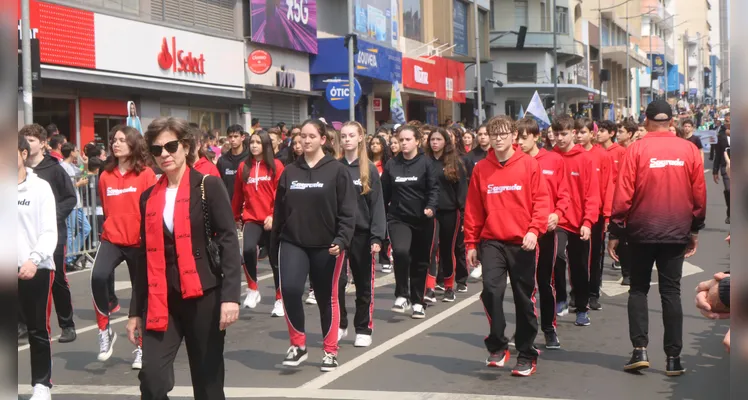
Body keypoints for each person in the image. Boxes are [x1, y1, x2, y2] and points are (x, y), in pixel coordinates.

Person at [127, 117, 241, 399]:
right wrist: (134, 311)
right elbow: (143, 257)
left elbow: (228, 241)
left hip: (204, 295)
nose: (164, 154)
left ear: (186, 146)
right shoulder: (148, 197)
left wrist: (230, 297)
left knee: (208, 381)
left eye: (171, 146)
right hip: (161, 298)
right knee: (151, 378)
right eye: (157, 149)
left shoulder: (208, 186)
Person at [608, 100, 706, 376]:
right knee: (671, 292)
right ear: (671, 122)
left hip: (640, 231)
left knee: (638, 289)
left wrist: (615, 231)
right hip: (676, 230)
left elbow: (623, 194)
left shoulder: (636, 149)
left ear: (647, 121)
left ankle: (639, 351)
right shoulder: (688, 149)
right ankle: (673, 358)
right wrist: (695, 228)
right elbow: (699, 194)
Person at [464, 115, 550, 377]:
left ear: (514, 136)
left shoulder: (529, 164)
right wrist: (471, 242)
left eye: (504, 134)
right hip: (492, 241)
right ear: (488, 138)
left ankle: (526, 353)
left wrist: (535, 230)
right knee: (490, 290)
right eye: (494, 135)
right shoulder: (481, 168)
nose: (499, 139)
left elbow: (542, 201)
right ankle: (498, 344)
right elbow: (474, 209)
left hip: (523, 242)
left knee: (524, 300)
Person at [270, 119, 356, 372]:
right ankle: (298, 345)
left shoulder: (336, 171)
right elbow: (279, 212)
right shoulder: (290, 172)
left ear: (323, 139)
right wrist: (273, 245)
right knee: (290, 290)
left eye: (310, 136)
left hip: (327, 246)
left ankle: (330, 350)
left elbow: (348, 211)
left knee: (326, 298)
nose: (305, 141)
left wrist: (341, 239)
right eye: (301, 137)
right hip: (293, 242)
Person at [92, 125, 157, 368]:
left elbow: (151, 209)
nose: (115, 144)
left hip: (139, 242)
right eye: (113, 140)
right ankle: (104, 331)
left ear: (133, 143)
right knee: (97, 277)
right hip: (112, 239)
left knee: (141, 292)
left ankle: (141, 346)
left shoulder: (146, 174)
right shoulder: (105, 175)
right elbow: (107, 208)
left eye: (121, 140)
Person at [516, 117, 571, 349]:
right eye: (516, 138)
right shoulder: (512, 162)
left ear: (536, 137)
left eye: (523, 138)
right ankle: (524, 331)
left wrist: (557, 214)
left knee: (544, 282)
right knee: (521, 285)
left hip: (546, 232)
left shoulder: (554, 160)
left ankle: (549, 328)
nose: (518, 142)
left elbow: (565, 195)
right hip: (518, 231)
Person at [21, 124, 78, 343]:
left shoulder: (54, 169)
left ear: (44, 143)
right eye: (25, 140)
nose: (28, 144)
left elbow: (70, 198)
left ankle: (67, 324)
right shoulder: (19, 168)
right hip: (25, 236)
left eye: (33, 140)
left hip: (53, 235)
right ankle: (24, 325)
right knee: (24, 280)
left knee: (57, 280)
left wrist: (52, 217)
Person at [381, 125, 439, 319]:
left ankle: (417, 301)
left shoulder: (426, 163)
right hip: (398, 219)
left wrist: (431, 206)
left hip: (423, 220)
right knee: (400, 252)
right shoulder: (392, 165)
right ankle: (402, 295)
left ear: (417, 141)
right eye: (401, 140)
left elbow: (433, 189)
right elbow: (384, 194)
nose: (404, 143)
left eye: (407, 140)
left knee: (421, 262)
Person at [337, 121, 386, 347]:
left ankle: (363, 327)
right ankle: (340, 324)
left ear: (359, 138)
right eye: (343, 135)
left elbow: (377, 205)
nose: (346, 139)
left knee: (363, 283)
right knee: (337, 283)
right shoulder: (335, 168)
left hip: (363, 235)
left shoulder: (369, 169)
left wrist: (377, 237)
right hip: (339, 234)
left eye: (351, 135)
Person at [18, 135, 58, 400]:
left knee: (37, 330)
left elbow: (48, 231)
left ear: (23, 154)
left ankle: (41, 384)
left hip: (37, 268)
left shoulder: (40, 188)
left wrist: (34, 258)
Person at [552, 115, 600, 325]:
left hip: (580, 221)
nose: (560, 138)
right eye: (556, 134)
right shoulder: (550, 157)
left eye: (564, 134)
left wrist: (588, 222)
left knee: (580, 266)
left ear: (573, 133)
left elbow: (592, 194)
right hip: (557, 221)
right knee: (557, 257)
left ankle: (581, 307)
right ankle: (560, 298)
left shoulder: (585, 159)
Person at [232, 130, 285, 317]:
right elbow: (238, 194)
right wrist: (235, 216)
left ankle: (280, 298)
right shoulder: (243, 167)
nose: (254, 145)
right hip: (251, 218)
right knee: (247, 250)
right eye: (252, 142)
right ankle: (253, 289)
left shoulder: (276, 166)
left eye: (258, 142)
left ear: (265, 145)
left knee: (275, 260)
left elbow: (281, 195)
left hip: (272, 220)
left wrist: (274, 215)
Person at [424, 127, 468, 302]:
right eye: (432, 139)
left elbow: (462, 191)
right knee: (431, 247)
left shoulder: (455, 163)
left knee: (447, 249)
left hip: (451, 212)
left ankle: (450, 286)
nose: (435, 142)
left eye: (438, 139)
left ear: (446, 142)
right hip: (431, 213)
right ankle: (430, 287)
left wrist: (464, 215)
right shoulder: (425, 162)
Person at [574, 118, 611, 312]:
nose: (579, 136)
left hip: (595, 214)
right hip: (573, 215)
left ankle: (593, 293)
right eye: (577, 132)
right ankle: (576, 293)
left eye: (583, 132)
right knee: (575, 257)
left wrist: (607, 215)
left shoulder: (602, 155)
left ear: (592, 134)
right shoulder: (571, 155)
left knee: (594, 255)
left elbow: (607, 186)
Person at [60, 143, 92, 270]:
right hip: (70, 204)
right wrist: (79, 184)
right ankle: (68, 258)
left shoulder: (72, 165)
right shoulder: (63, 166)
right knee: (70, 231)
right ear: (71, 152)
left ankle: (70, 256)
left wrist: (85, 163)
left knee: (86, 228)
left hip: (77, 204)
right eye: (76, 150)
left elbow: (83, 173)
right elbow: (64, 187)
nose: (78, 152)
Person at [216, 125, 248, 199]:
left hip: (246, 204)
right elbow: (219, 184)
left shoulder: (250, 158)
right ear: (227, 138)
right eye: (230, 137)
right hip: (228, 203)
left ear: (242, 137)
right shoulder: (222, 160)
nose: (233, 140)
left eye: (236, 136)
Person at [711, 113, 730, 224]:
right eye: (726, 121)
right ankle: (730, 212)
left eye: (729, 121)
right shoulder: (720, 135)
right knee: (729, 190)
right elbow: (718, 154)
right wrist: (715, 170)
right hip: (725, 166)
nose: (727, 123)